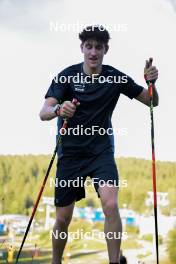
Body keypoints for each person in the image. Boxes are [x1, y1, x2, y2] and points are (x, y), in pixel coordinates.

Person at [39, 25, 159, 264]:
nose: (93, 52)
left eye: (99, 47)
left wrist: (151, 83)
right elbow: (43, 112)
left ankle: (114, 261)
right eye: (89, 46)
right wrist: (58, 109)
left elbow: (151, 102)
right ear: (82, 48)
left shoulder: (115, 77)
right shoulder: (66, 76)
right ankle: (55, 262)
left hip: (100, 153)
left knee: (111, 203)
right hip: (70, 154)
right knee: (63, 218)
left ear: (106, 50)